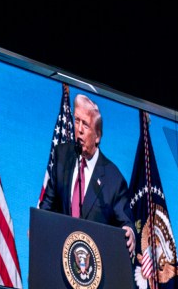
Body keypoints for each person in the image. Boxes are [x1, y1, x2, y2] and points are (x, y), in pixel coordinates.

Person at [39, 94, 135, 254]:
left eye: (86, 125)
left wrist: (129, 231)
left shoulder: (114, 179)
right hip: (60, 254)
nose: (79, 130)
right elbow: (47, 204)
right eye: (77, 121)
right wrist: (39, 224)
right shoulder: (62, 156)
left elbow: (125, 222)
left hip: (94, 265)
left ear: (97, 136)